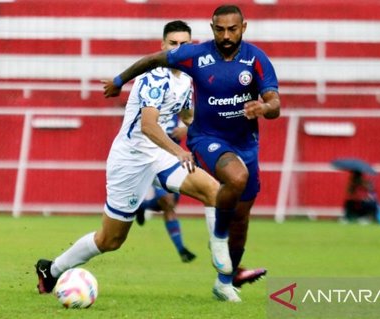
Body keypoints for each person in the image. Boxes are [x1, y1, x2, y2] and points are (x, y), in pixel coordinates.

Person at [36, 20, 236, 300]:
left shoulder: (188, 80)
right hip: (130, 160)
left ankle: (223, 272)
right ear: (162, 46)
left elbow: (189, 117)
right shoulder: (153, 77)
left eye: (185, 44)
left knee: (213, 191)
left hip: (160, 155)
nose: (179, 49)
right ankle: (53, 269)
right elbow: (149, 126)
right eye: (173, 44)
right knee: (111, 240)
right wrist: (179, 150)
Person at [103, 5, 280, 302]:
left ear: (243, 27)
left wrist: (263, 107)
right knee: (232, 180)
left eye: (232, 29)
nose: (226, 35)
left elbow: (275, 103)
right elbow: (151, 61)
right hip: (203, 141)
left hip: (245, 144)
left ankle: (227, 277)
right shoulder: (196, 55)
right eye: (220, 29)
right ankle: (217, 243)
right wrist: (119, 82)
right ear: (211, 28)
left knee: (241, 214)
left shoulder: (256, 59)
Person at [135, 113, 197, 263]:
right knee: (167, 201)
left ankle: (142, 206)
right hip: (151, 159)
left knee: (168, 206)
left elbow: (197, 123)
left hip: (172, 160)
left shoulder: (179, 101)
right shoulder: (150, 103)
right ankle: (182, 249)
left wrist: (186, 130)